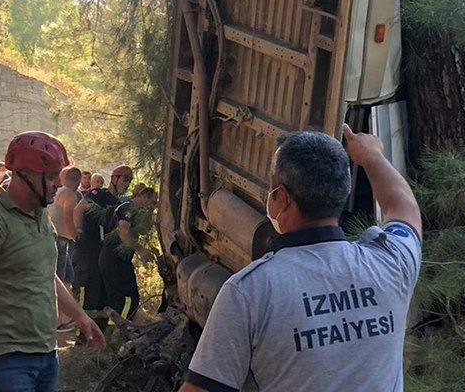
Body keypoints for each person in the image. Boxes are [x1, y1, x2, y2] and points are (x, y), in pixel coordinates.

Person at [179, 125, 422, 392]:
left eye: (271, 188)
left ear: (281, 198)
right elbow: (403, 205)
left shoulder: (248, 292)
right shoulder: (392, 263)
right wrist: (372, 156)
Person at [0, 132, 104, 392]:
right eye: (51, 177)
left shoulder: (41, 215)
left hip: (45, 353)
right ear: (24, 175)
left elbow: (45, 274)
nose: (57, 184)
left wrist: (80, 317)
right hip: (1, 360)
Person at [72, 164, 134, 325]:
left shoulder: (118, 202)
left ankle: (100, 329)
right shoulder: (98, 193)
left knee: (104, 290)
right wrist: (78, 230)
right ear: (114, 178)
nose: (126, 183)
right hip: (89, 246)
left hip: (104, 249)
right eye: (124, 179)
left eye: (129, 180)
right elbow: (79, 209)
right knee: (91, 287)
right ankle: (84, 333)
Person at [98, 186, 157, 320]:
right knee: (125, 299)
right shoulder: (127, 207)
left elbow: (142, 231)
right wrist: (141, 250)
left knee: (131, 297)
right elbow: (123, 232)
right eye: (152, 202)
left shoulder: (138, 212)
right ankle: (120, 331)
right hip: (113, 259)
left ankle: (120, 329)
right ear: (144, 197)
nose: (152, 206)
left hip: (122, 260)